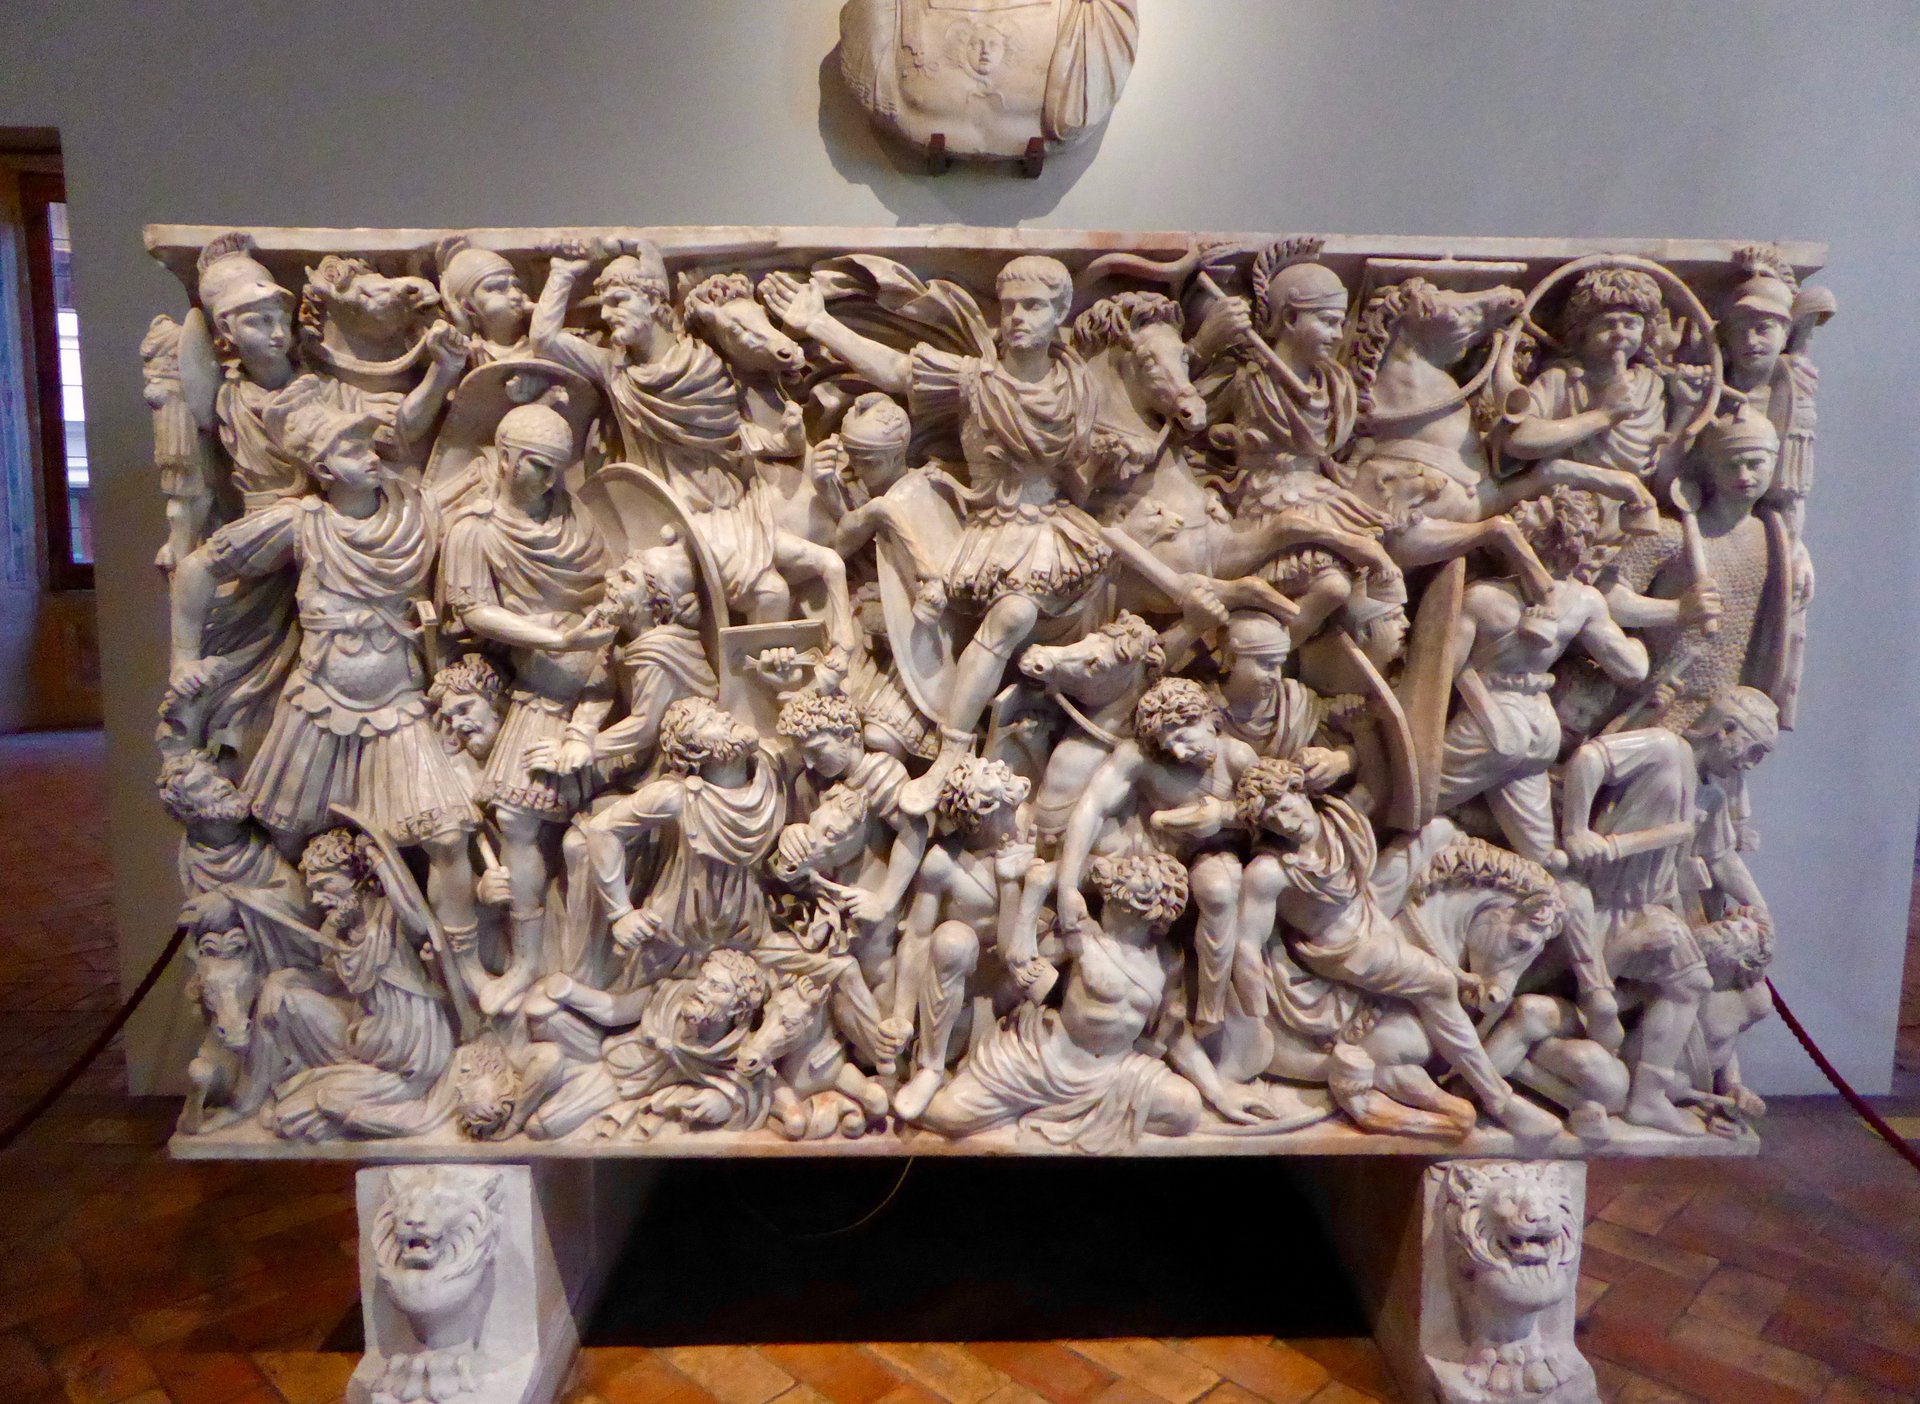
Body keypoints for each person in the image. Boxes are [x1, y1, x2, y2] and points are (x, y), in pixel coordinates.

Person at [764, 254, 1225, 811]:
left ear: (1059, 314)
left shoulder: (1078, 388)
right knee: (1012, 614)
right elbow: (897, 371)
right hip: (990, 529)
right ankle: (951, 753)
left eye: (1033, 306)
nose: (1017, 317)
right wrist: (819, 322)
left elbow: (1078, 480)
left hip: (1056, 530)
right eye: (1008, 307)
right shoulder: (974, 381)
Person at [167, 399, 484, 987]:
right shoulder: (301, 523)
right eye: (351, 449)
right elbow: (198, 568)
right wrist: (182, 656)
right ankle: (315, 965)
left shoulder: (414, 511)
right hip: (318, 705)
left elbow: (471, 499)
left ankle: (463, 971)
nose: (370, 456)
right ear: (321, 468)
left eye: (368, 444)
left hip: (397, 706)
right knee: (289, 837)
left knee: (444, 837)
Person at [1231, 758, 1562, 1138]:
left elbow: (1380, 778)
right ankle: (1498, 1099)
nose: (1286, 822)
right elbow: (1247, 944)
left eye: (1286, 807)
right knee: (1438, 982)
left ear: (1301, 792)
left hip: (1369, 904)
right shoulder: (1268, 873)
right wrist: (1255, 1015)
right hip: (1344, 946)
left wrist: (1348, 751)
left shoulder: (1337, 821)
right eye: (1272, 820)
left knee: (1436, 830)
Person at [439, 401, 612, 1010]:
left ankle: (544, 958)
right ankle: (526, 958)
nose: (550, 480)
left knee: (535, 821)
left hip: (594, 680)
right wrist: (552, 637)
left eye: (558, 468)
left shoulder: (573, 517)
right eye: (538, 465)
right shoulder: (475, 530)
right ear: (507, 458)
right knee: (514, 820)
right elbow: (473, 610)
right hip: (538, 683)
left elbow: (604, 587)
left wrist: (588, 638)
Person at [917, 849, 1209, 1150]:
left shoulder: (1167, 960)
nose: (1130, 868)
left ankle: (1089, 1119)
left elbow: (1172, 1030)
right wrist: (1020, 885)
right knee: (947, 1115)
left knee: (1186, 1109)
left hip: (1117, 1072)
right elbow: (1017, 956)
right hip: (1046, 1060)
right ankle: (898, 1083)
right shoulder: (1080, 937)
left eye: (1142, 873)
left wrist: (1219, 1093)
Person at [1194, 243, 1402, 642]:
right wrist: (1204, 344)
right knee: (1333, 587)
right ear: (1289, 318)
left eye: (1340, 323)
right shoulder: (1247, 378)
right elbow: (1185, 411)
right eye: (1327, 322)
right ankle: (1269, 647)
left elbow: (1329, 442)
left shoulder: (1335, 384)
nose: (1337, 335)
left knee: (1351, 591)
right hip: (1269, 498)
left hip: (1322, 495)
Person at [1055, 677, 1258, 1032]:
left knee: (1218, 891)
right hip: (1151, 855)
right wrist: (1067, 887)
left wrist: (1224, 815)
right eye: (1169, 745)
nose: (1178, 752)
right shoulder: (1140, 758)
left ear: (1203, 716)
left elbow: (1276, 811)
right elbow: (1092, 808)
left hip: (1212, 852)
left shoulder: (1236, 757)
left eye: (1182, 737)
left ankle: (1210, 1012)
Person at [570, 697, 784, 987]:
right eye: (708, 721)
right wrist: (620, 913)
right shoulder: (677, 796)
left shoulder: (768, 772)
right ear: (695, 751)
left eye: (718, 712)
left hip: (747, 931)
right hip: (675, 937)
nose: (725, 717)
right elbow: (602, 830)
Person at [1504, 266, 1711, 512]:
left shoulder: (1650, 385)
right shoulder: (1563, 381)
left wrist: (1686, 407)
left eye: (1630, 324)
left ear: (1645, 332)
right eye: (1608, 324)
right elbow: (1518, 440)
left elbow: (1662, 481)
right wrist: (1603, 415)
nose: (1620, 333)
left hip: (1630, 514)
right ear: (1582, 331)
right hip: (1568, 509)